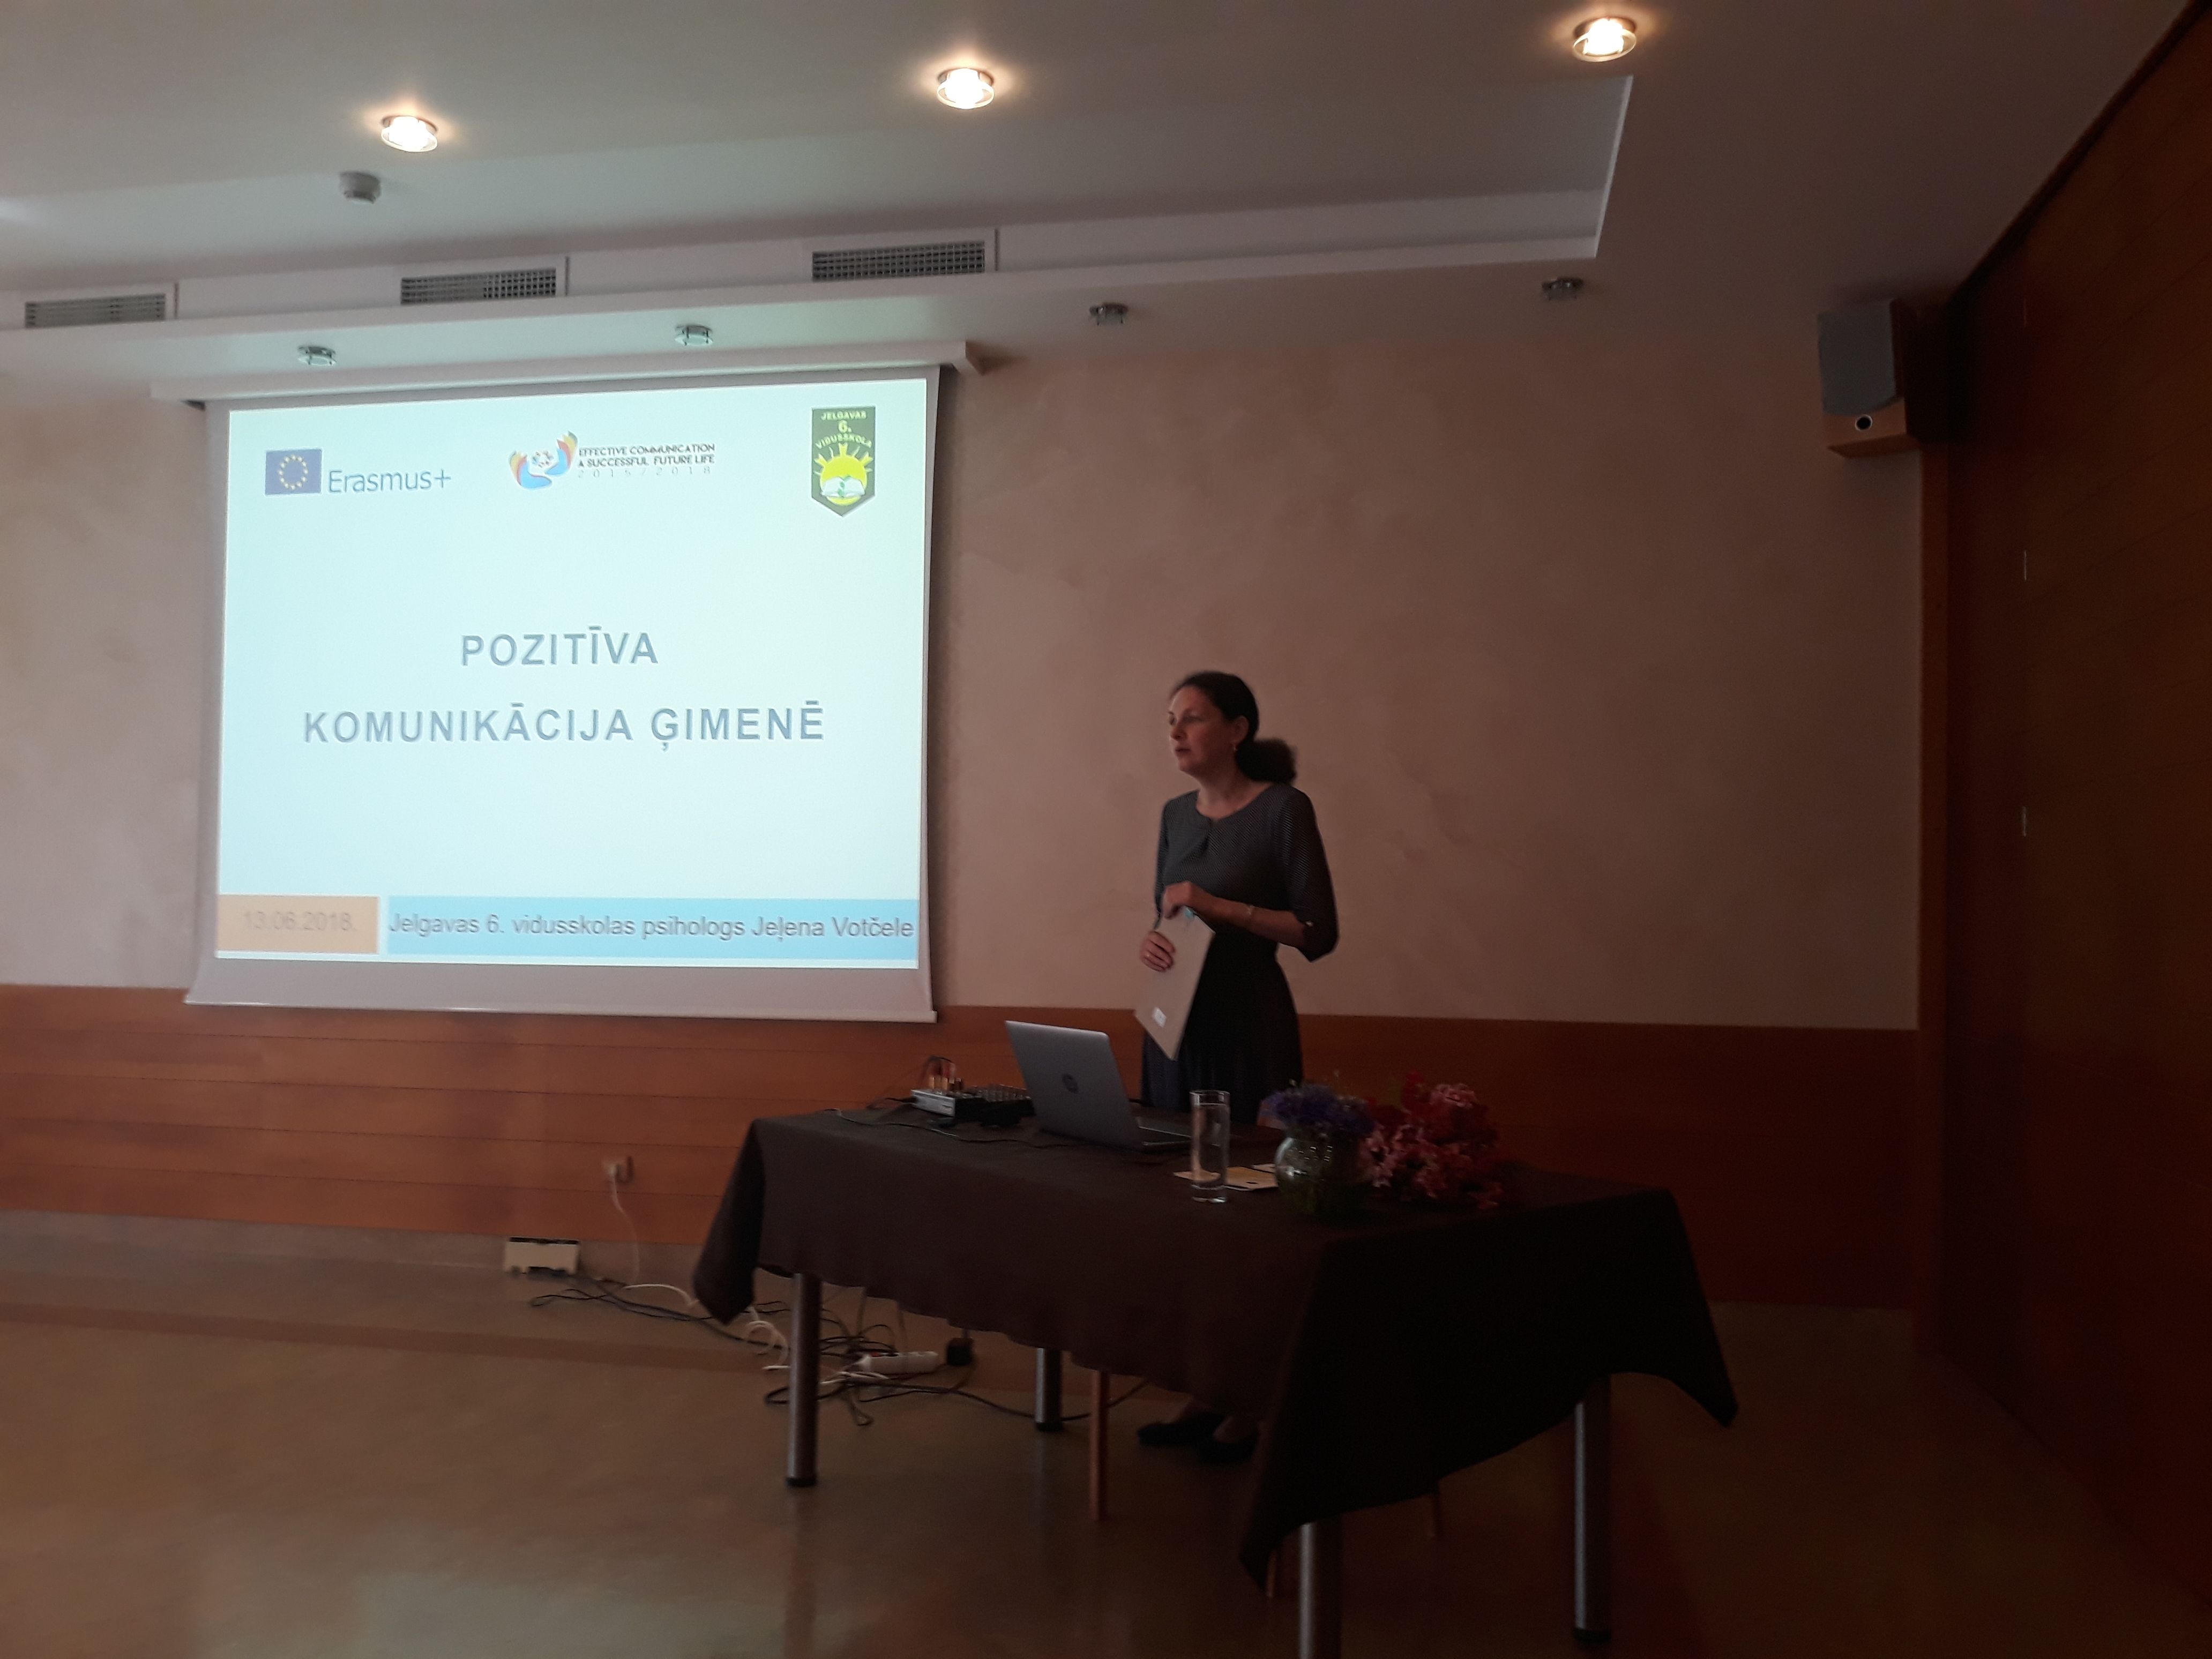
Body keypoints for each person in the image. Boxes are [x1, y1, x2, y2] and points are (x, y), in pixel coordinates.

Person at [1134, 670, 1339, 1463]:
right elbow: (1168, 915)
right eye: (1170, 720)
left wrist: (1218, 907)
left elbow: (1317, 931)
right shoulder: (1173, 815)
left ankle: (1256, 1400)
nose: (1176, 732)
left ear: (1238, 728)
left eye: (1191, 718)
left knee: (1250, 1218)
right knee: (1185, 1217)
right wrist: (1154, 940)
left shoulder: (1284, 810)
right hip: (1178, 1029)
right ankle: (1208, 1386)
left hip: (1249, 1029)